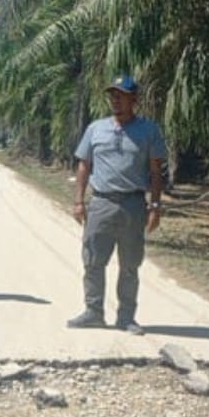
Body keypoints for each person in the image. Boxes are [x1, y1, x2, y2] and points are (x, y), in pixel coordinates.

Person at [67, 74, 167, 334]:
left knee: (130, 265)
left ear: (134, 99)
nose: (115, 100)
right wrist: (79, 201)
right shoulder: (95, 129)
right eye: (112, 95)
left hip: (133, 205)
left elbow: (156, 171)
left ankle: (126, 317)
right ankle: (93, 312)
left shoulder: (149, 131)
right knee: (92, 261)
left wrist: (155, 206)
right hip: (101, 203)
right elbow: (84, 165)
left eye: (121, 95)